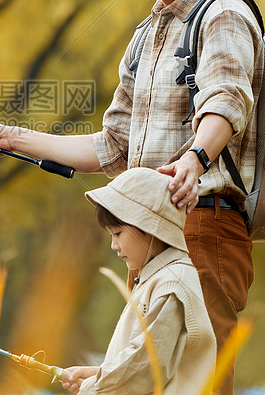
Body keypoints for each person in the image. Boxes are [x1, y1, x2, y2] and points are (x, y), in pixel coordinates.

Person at [0, 0, 263, 394]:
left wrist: (194, 159)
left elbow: (227, 102)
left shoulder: (223, 13)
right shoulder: (145, 36)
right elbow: (110, 147)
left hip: (203, 228)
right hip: (152, 234)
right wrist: (9, 137)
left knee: (199, 386)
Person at [60, 167, 216, 394]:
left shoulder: (171, 284)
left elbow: (147, 364)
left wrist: (95, 388)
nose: (114, 245)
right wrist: (99, 374)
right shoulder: (155, 278)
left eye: (118, 233)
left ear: (149, 225)